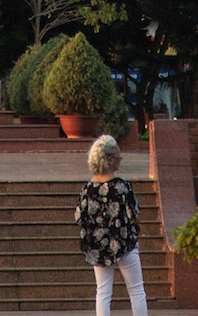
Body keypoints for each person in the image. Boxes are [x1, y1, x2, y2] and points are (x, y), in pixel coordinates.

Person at [75, 134, 147, 316]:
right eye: (118, 156)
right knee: (136, 290)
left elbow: (79, 216)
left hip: (98, 246)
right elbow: (133, 214)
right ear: (109, 159)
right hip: (124, 243)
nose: (120, 160)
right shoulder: (122, 186)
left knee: (103, 292)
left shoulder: (87, 188)